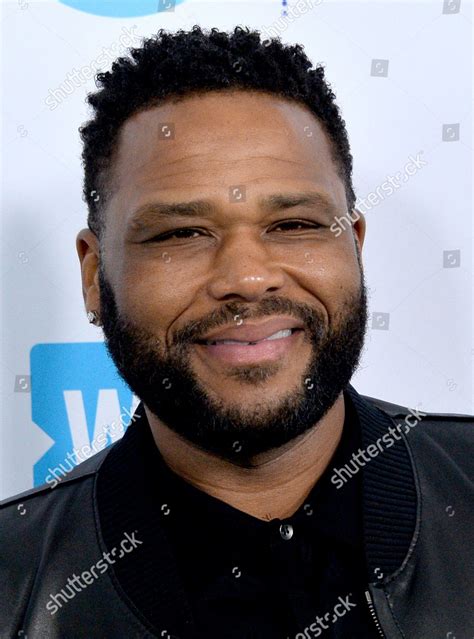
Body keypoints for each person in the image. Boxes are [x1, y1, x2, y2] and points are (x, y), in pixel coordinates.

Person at [1, 26, 473, 639]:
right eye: (179, 234)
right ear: (95, 275)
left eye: (296, 223)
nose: (248, 278)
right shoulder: (14, 583)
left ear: (354, 246)